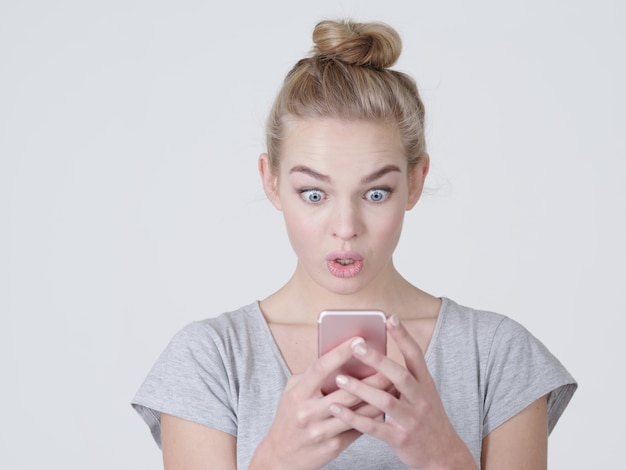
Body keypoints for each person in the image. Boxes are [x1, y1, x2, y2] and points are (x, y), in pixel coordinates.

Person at [132, 19, 576, 469]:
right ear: (270, 181)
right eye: (314, 194)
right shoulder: (210, 360)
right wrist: (274, 461)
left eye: (375, 193)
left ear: (416, 181)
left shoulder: (497, 355)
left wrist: (444, 458)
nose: (346, 227)